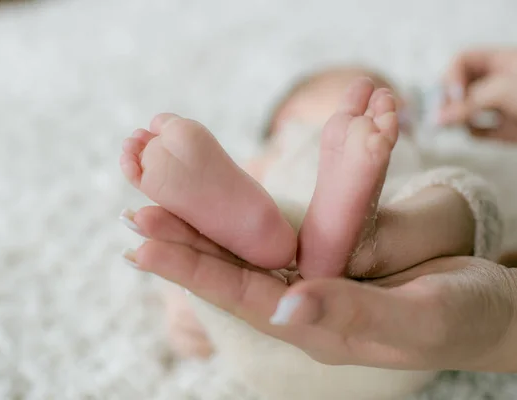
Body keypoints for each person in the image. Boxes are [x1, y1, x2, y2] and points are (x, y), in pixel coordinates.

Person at [119, 50, 517, 377]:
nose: (393, 122)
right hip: (419, 337)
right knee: (464, 198)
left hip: (280, 332)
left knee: (216, 270)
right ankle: (358, 239)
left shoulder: (257, 170)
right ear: (284, 122)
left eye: (403, 117)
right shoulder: (363, 152)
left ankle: (288, 238)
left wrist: (183, 304)